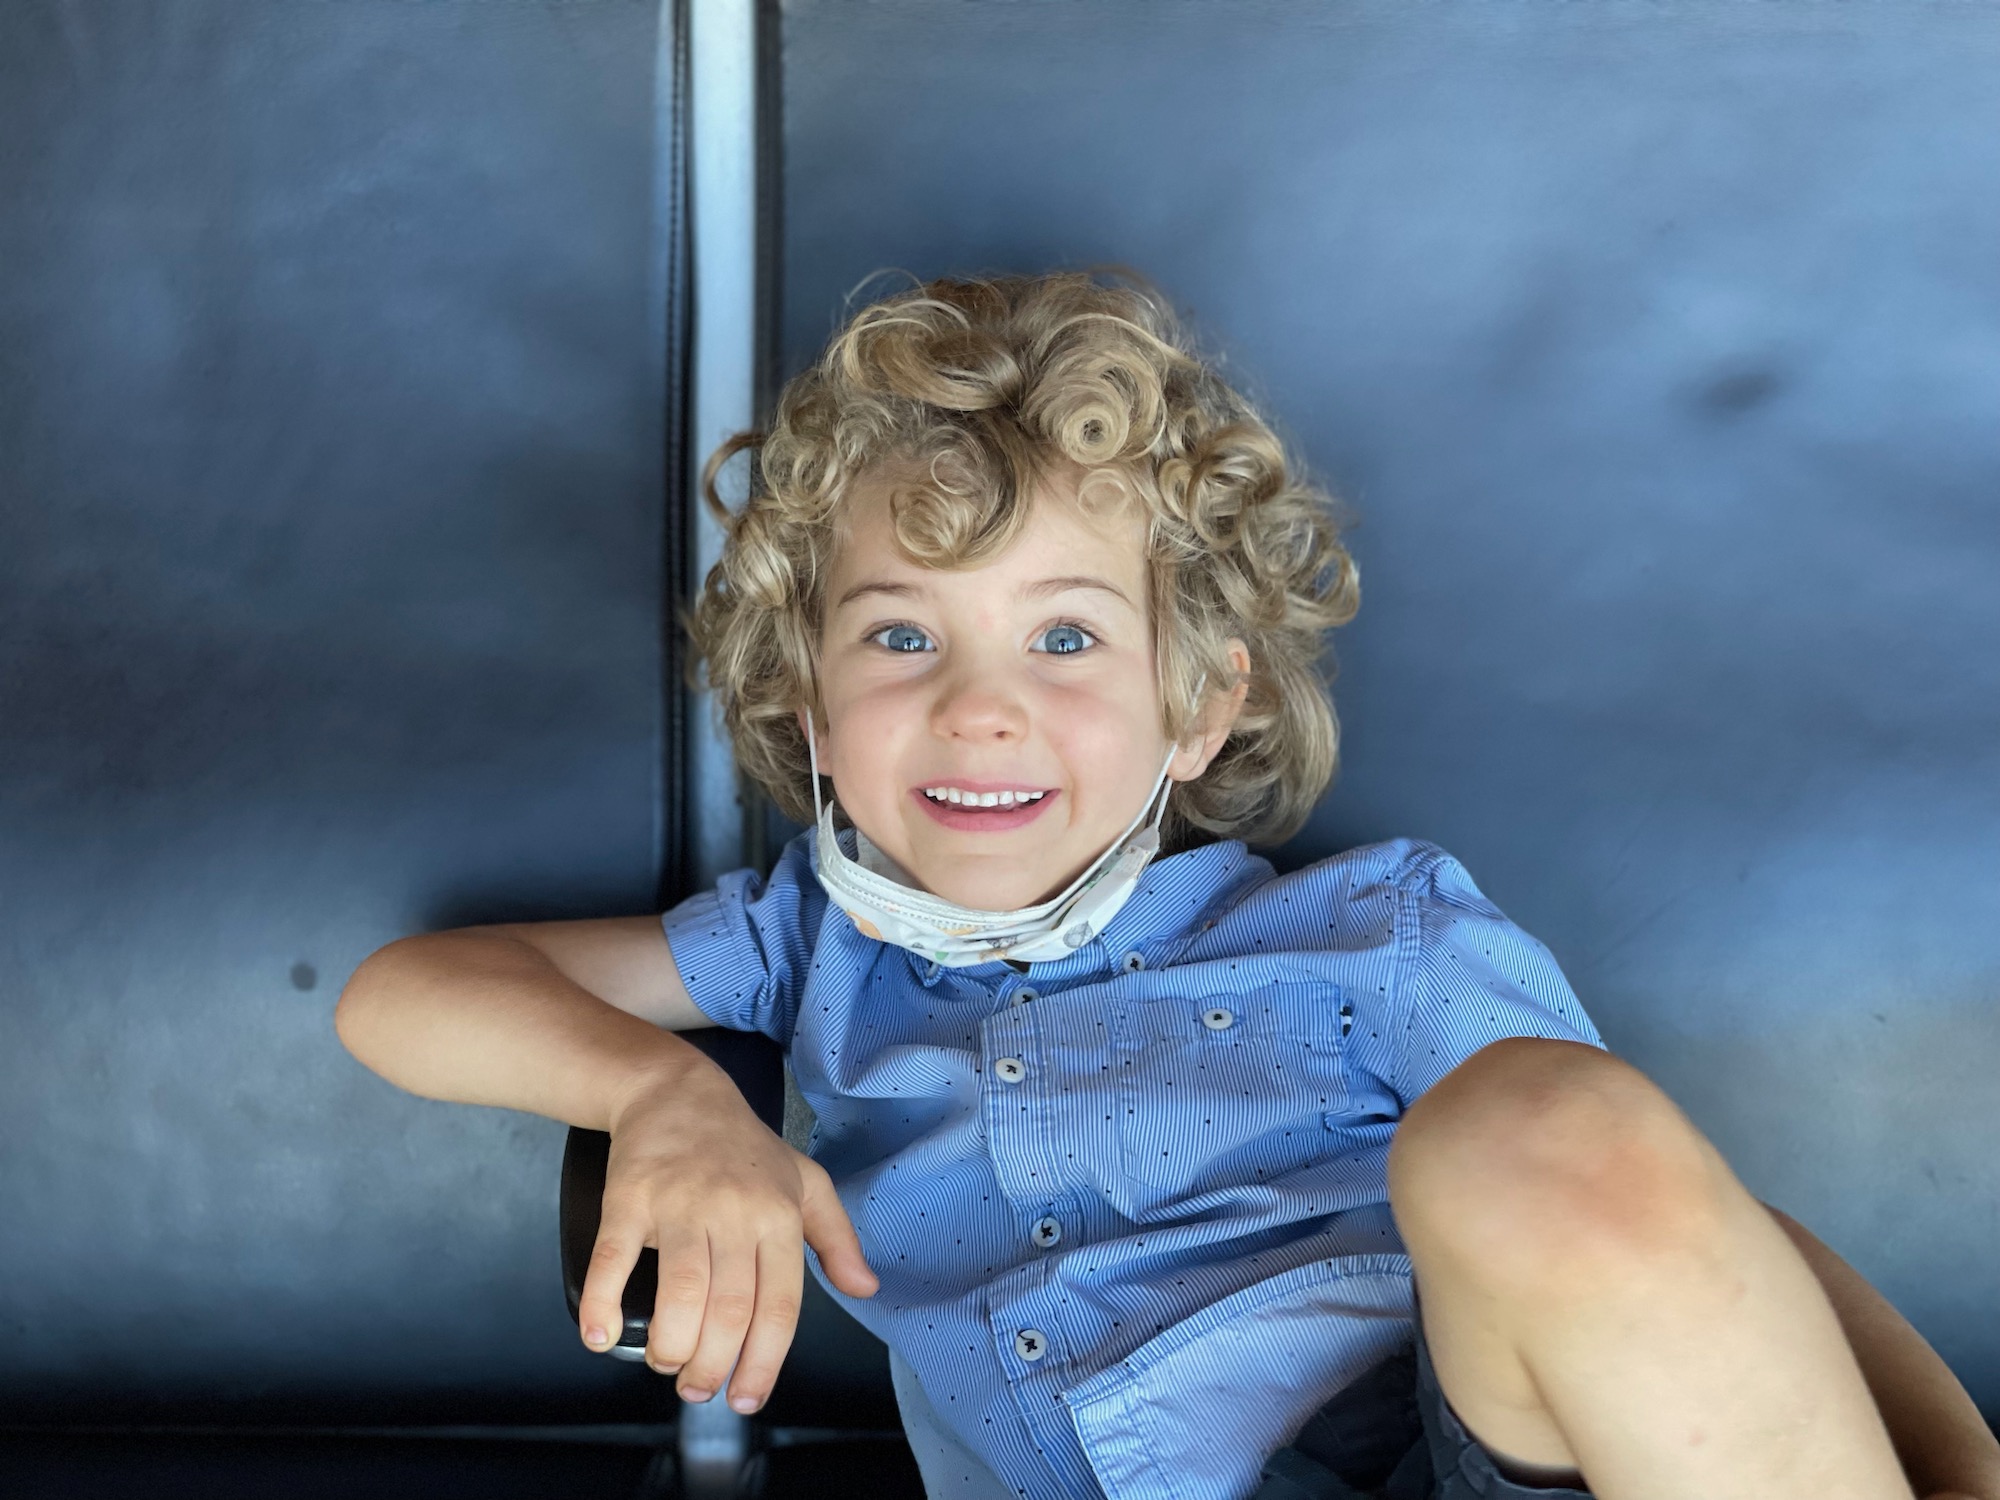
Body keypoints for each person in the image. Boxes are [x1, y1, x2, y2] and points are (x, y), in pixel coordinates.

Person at [334, 273, 1999, 1500]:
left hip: (1479, 1460)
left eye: (1068, 637)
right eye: (902, 635)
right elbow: (402, 999)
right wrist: (661, 1101)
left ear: (1201, 704)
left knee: (1548, 1131)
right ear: (802, 711)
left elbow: (1691, 1247)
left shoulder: (1372, 935)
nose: (981, 702)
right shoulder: (804, 954)